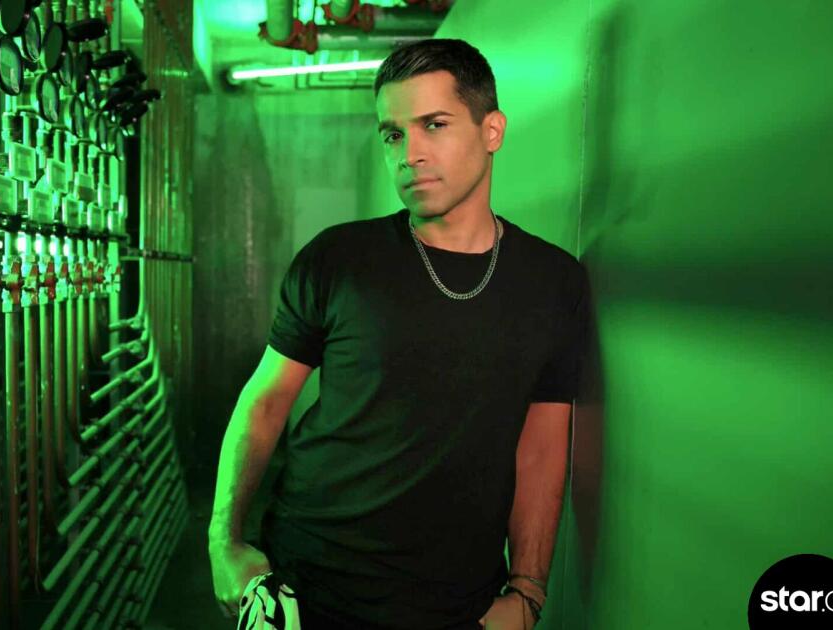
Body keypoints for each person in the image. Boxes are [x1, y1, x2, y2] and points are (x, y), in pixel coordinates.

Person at [208, 38, 590, 630]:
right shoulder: (338, 259)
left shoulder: (553, 281)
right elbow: (266, 401)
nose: (409, 154)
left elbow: (542, 445)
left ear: (492, 130)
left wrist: (528, 590)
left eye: (434, 125)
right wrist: (223, 542)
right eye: (392, 134)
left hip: (456, 604)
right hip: (302, 587)